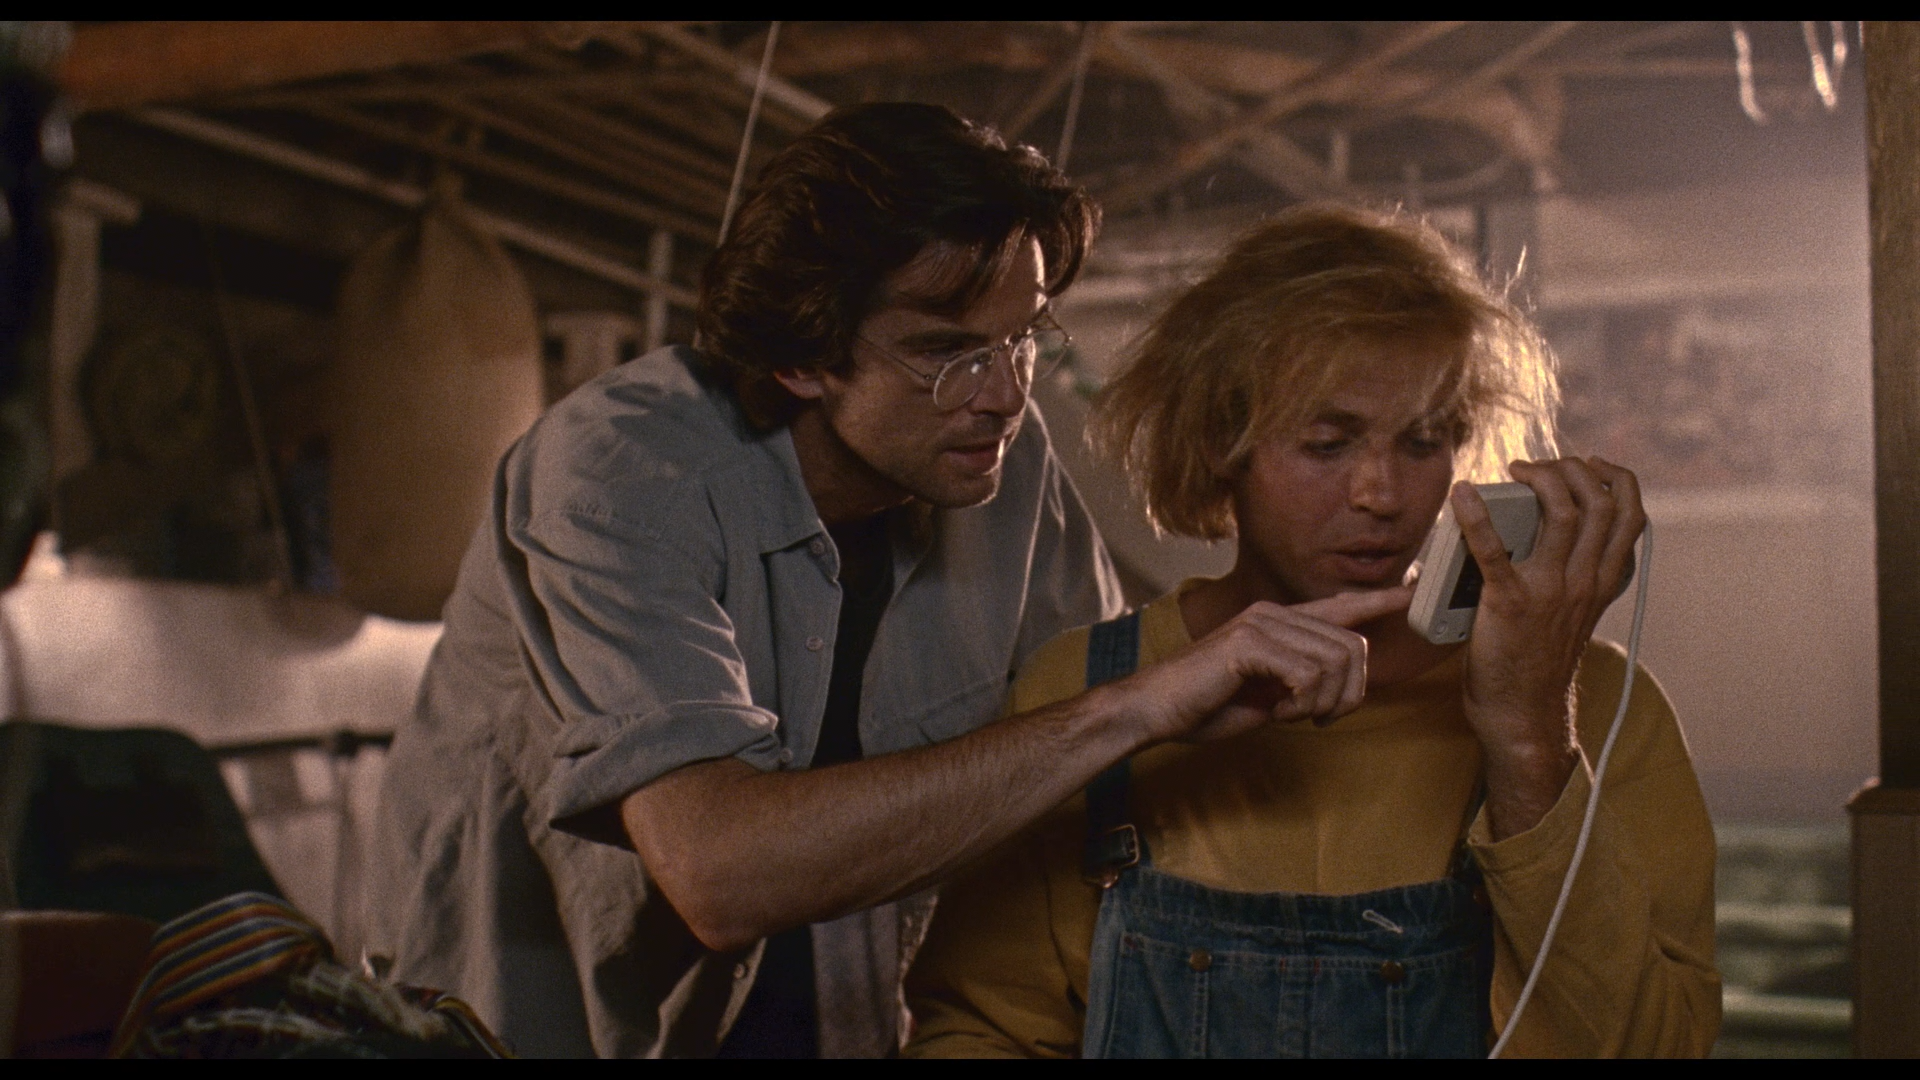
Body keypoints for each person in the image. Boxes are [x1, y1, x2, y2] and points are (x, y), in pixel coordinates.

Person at [369, 106, 1412, 1059]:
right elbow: (720, 874)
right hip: (540, 1034)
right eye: (947, 351)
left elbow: (1079, 752)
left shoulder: (1005, 471)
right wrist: (1137, 709)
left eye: (1021, 339)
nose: (1003, 395)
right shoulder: (622, 473)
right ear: (803, 357)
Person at [902, 205, 1721, 1058]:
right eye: (1328, 444)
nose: (1381, 494)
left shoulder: (1595, 705)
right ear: (1221, 442)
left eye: (1423, 442)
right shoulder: (1091, 689)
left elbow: (1654, 1049)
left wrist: (1530, 741)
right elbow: (981, 1031)